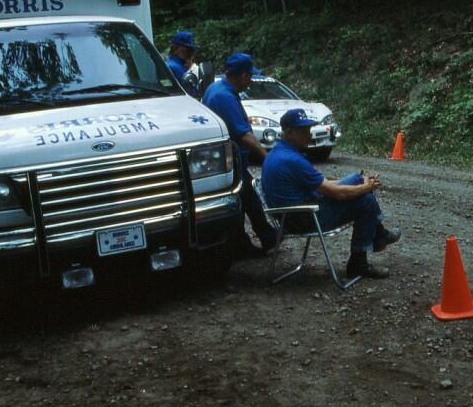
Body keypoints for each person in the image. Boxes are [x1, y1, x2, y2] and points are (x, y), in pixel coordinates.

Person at [261, 108, 401, 278]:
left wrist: (360, 182)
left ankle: (379, 235)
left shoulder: (279, 153)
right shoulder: (292, 160)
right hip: (303, 218)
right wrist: (365, 188)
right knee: (366, 200)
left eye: (309, 130)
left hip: (291, 215)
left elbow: (322, 184)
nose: (309, 135)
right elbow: (336, 193)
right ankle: (360, 261)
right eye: (303, 131)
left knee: (357, 179)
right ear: (289, 132)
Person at [203, 53, 278, 257]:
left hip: (225, 159)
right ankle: (267, 238)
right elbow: (243, 134)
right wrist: (268, 157)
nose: (251, 80)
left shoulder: (215, 88)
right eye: (250, 76)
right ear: (243, 76)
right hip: (231, 159)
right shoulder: (224, 96)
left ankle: (243, 242)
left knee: (242, 200)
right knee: (249, 199)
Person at [166, 31, 199, 96]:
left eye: (192, 50)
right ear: (176, 49)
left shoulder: (167, 63)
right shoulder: (176, 68)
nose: (191, 53)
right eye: (189, 50)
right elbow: (193, 95)